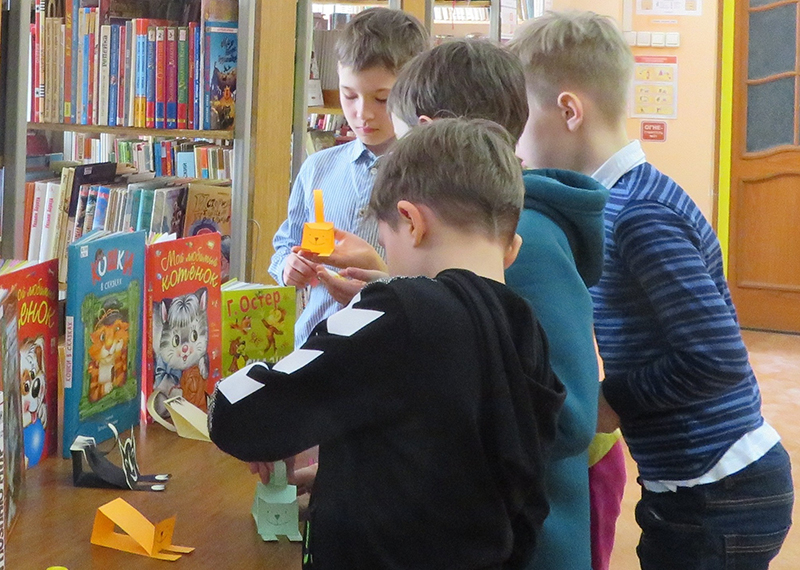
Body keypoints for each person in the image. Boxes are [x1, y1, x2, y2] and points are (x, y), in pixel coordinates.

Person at [304, 39, 609, 570]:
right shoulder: (492, 236)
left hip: (524, 542)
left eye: (401, 141)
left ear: (432, 134)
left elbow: (570, 416)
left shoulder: (522, 243)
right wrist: (395, 288)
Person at [209, 118, 566, 569]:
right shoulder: (524, 327)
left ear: (412, 223)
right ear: (511, 247)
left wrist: (220, 395)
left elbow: (245, 414)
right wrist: (347, 475)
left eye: (384, 241)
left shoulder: (398, 310)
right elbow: (489, 476)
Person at [510, 11, 794, 570]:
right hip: (693, 486)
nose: (515, 143)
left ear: (569, 111)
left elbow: (715, 357)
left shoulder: (639, 213)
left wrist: (610, 401)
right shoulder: (621, 201)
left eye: (520, 120)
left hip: (720, 491)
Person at [268, 7, 428, 348]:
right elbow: (286, 243)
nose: (362, 113)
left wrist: (378, 286)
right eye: (349, 95)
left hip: (389, 351)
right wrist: (288, 267)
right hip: (313, 347)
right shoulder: (318, 168)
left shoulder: (428, 178)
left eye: (382, 99)